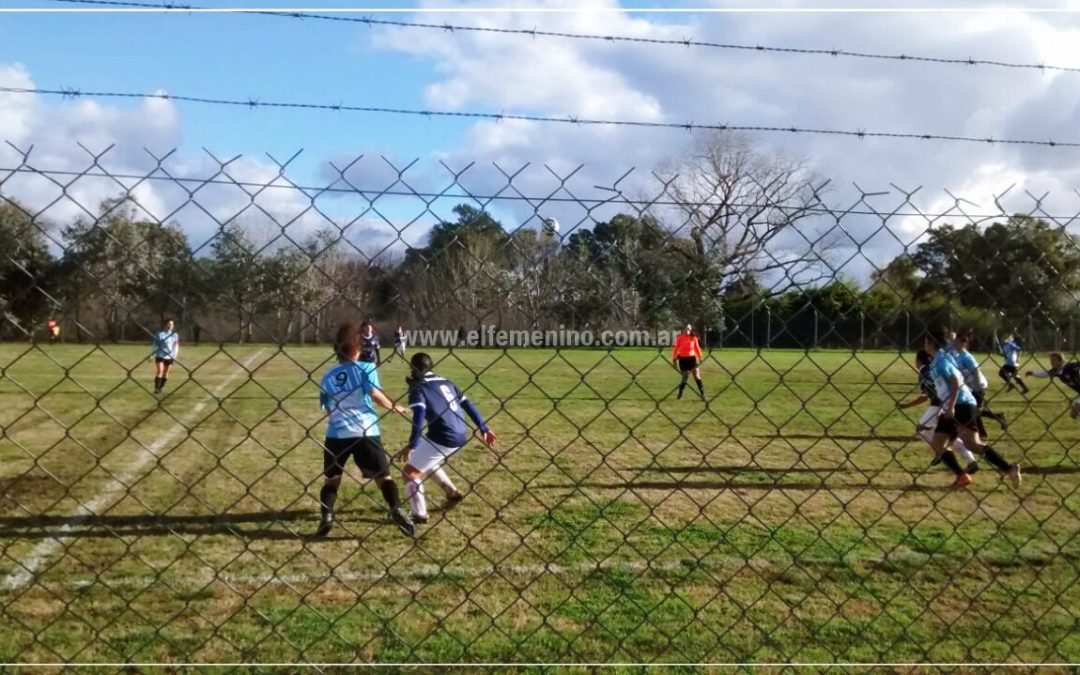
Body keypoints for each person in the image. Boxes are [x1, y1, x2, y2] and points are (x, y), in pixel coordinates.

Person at [315, 321, 414, 538]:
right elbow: (375, 394)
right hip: (365, 430)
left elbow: (326, 406)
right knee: (383, 477)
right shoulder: (366, 368)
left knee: (332, 479)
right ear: (358, 347)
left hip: (336, 434)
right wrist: (394, 407)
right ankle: (396, 509)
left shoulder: (328, 374)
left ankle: (327, 516)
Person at [400, 353, 497, 525]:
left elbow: (419, 416)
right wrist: (484, 428)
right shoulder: (447, 382)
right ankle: (452, 492)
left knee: (410, 472)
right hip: (460, 433)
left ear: (412, 368)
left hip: (443, 436)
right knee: (425, 460)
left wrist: (412, 444)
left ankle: (419, 514)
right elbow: (467, 404)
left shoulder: (418, 388)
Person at [924, 328, 1021, 489]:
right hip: (957, 404)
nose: (924, 346)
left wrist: (951, 407)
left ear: (930, 343)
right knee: (947, 443)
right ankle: (969, 475)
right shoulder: (940, 358)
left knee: (962, 444)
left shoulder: (941, 360)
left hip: (960, 404)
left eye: (925, 342)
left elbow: (955, 381)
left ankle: (1004, 469)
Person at [896, 350, 979, 474]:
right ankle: (970, 460)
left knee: (922, 429)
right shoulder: (935, 367)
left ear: (918, 361)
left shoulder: (924, 371)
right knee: (947, 435)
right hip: (952, 403)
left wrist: (905, 405)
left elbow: (925, 396)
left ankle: (941, 452)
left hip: (939, 404)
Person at [952, 331, 1007, 435]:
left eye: (957, 342)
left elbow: (976, 371)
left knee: (973, 410)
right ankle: (991, 424)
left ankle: (984, 430)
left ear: (964, 344)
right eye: (954, 342)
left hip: (978, 386)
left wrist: (978, 388)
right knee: (974, 409)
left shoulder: (966, 356)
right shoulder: (958, 355)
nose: (954, 344)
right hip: (970, 387)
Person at [1027, 353, 1080, 420]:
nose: (1051, 363)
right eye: (1051, 360)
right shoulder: (1056, 371)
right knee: (1073, 414)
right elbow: (1045, 374)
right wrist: (1033, 373)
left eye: (1053, 360)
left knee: (1076, 408)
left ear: (1061, 361)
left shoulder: (1070, 367)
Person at [672, 324, 704, 400]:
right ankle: (680, 394)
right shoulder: (680, 338)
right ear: (683, 330)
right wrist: (674, 359)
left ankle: (702, 394)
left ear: (691, 330)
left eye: (689, 329)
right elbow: (676, 349)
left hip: (692, 359)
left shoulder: (694, 338)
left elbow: (697, 348)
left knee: (697, 376)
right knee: (685, 378)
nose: (687, 330)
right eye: (686, 329)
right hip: (683, 360)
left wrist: (700, 356)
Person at [151, 318, 180, 395]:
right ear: (165, 325)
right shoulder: (159, 334)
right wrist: (152, 354)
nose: (170, 326)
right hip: (160, 355)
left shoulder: (174, 335)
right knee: (160, 371)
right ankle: (156, 389)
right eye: (169, 324)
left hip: (170, 356)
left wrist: (174, 355)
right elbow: (155, 345)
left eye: (172, 324)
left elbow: (176, 346)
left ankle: (160, 388)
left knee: (166, 373)